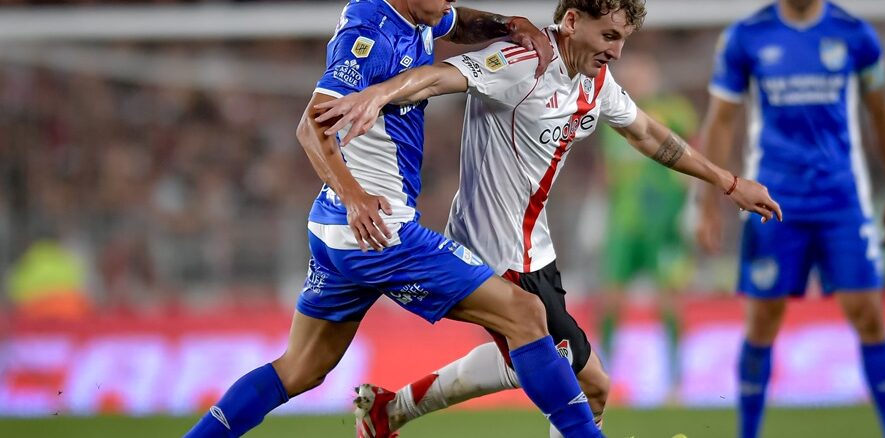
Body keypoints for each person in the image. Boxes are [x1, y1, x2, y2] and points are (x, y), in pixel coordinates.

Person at [313, 1, 781, 436]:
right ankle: (392, 410)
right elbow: (437, 77)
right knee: (590, 383)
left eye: (623, 41)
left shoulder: (594, 80)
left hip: (536, 250)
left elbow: (646, 133)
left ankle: (389, 410)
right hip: (498, 252)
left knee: (533, 359)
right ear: (574, 22)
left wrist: (729, 182)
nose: (616, 51)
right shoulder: (520, 62)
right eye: (609, 36)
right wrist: (377, 94)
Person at [182, 1, 610, 437]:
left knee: (300, 370)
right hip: (379, 229)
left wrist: (506, 25)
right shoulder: (369, 35)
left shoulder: (417, 14)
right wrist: (355, 197)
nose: (446, 2)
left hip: (337, 230)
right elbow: (310, 126)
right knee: (524, 312)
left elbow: (457, 21)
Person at [695, 1, 885, 437]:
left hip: (840, 200)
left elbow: (881, 111)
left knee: (868, 314)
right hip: (775, 202)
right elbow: (720, 119)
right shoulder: (746, 36)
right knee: (762, 321)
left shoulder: (854, 33)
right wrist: (708, 203)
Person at [595, 53, 700, 400]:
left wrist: (690, 209)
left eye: (641, 74)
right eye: (630, 76)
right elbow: (608, 172)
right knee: (610, 298)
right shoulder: (612, 116)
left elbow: (694, 158)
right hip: (624, 224)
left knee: (669, 299)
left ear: (653, 77)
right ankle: (601, 376)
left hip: (662, 223)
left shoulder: (675, 111)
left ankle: (676, 382)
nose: (635, 81)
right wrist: (599, 212)